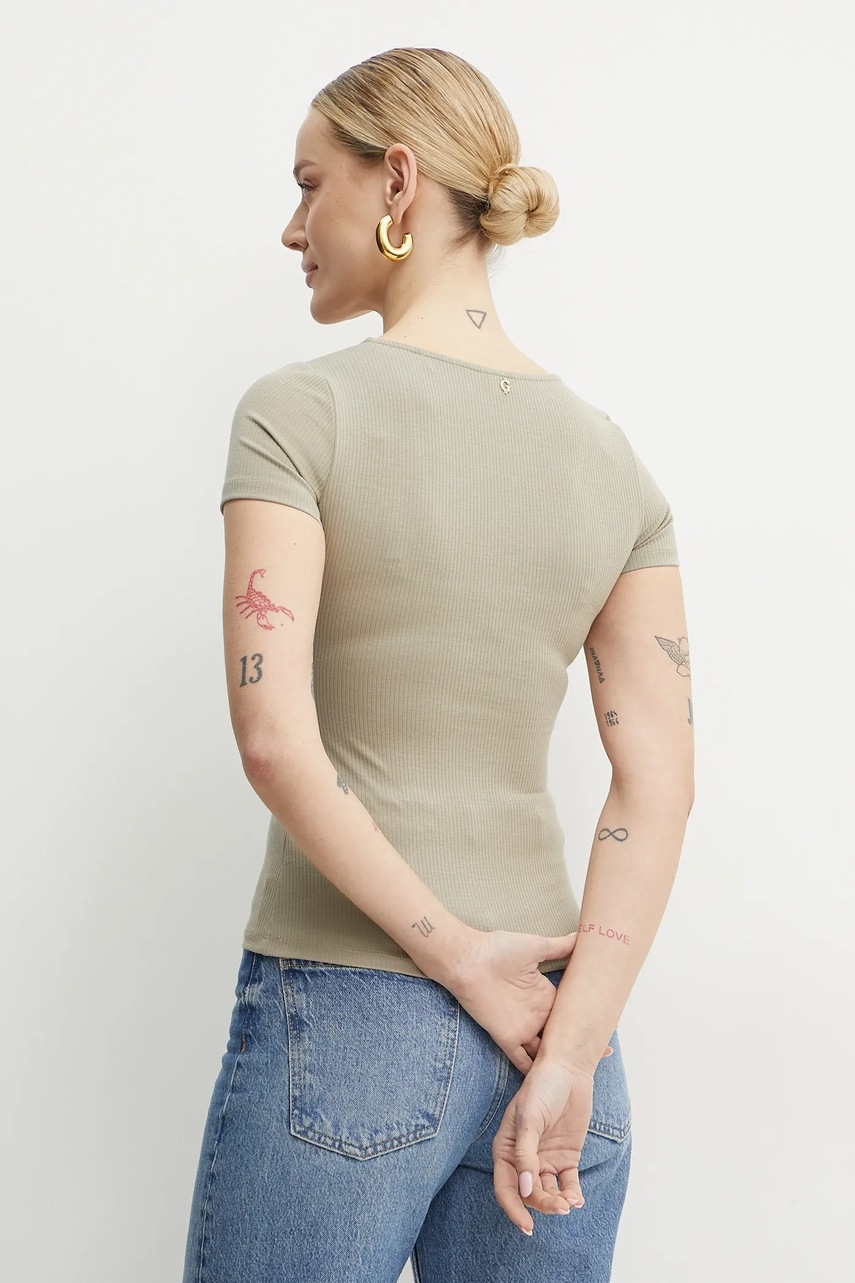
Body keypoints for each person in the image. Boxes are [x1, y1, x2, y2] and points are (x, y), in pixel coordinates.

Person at [181, 45, 694, 1283]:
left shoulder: (300, 413)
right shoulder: (611, 460)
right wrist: (573, 1043)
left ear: (398, 180)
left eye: (311, 185)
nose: (293, 227)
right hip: (556, 1029)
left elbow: (273, 737)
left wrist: (459, 954)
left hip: (355, 1014)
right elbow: (660, 783)